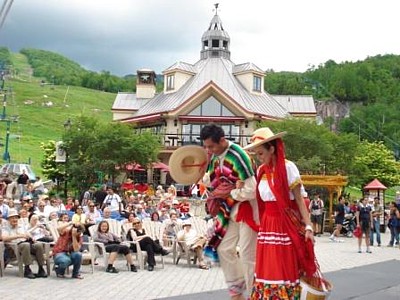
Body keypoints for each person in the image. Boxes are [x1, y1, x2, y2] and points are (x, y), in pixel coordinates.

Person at [243, 127, 317, 300]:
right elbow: (260, 201)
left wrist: (308, 226)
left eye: (261, 153)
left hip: (285, 225)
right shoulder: (261, 171)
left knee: (282, 268)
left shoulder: (289, 168)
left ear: (272, 149)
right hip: (267, 224)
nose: (259, 157)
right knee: (267, 267)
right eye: (256, 154)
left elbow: (299, 200)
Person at [200, 124, 259, 299]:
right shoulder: (215, 156)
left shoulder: (239, 155)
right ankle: (237, 290)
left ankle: (254, 295)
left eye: (211, 146)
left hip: (247, 209)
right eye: (206, 146)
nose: (208, 149)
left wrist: (231, 191)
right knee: (224, 249)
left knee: (249, 256)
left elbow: (252, 190)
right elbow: (212, 179)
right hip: (228, 209)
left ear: (222, 140)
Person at [1, 209, 48, 279]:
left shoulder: (21, 226)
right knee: (26, 245)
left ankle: (41, 269)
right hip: (15, 247)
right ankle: (27, 269)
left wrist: (31, 238)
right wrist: (19, 236)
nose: (15, 219)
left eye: (16, 217)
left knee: (38, 245)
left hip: (26, 244)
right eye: (12, 218)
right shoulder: (5, 227)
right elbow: (4, 238)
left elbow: (27, 233)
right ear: (9, 219)